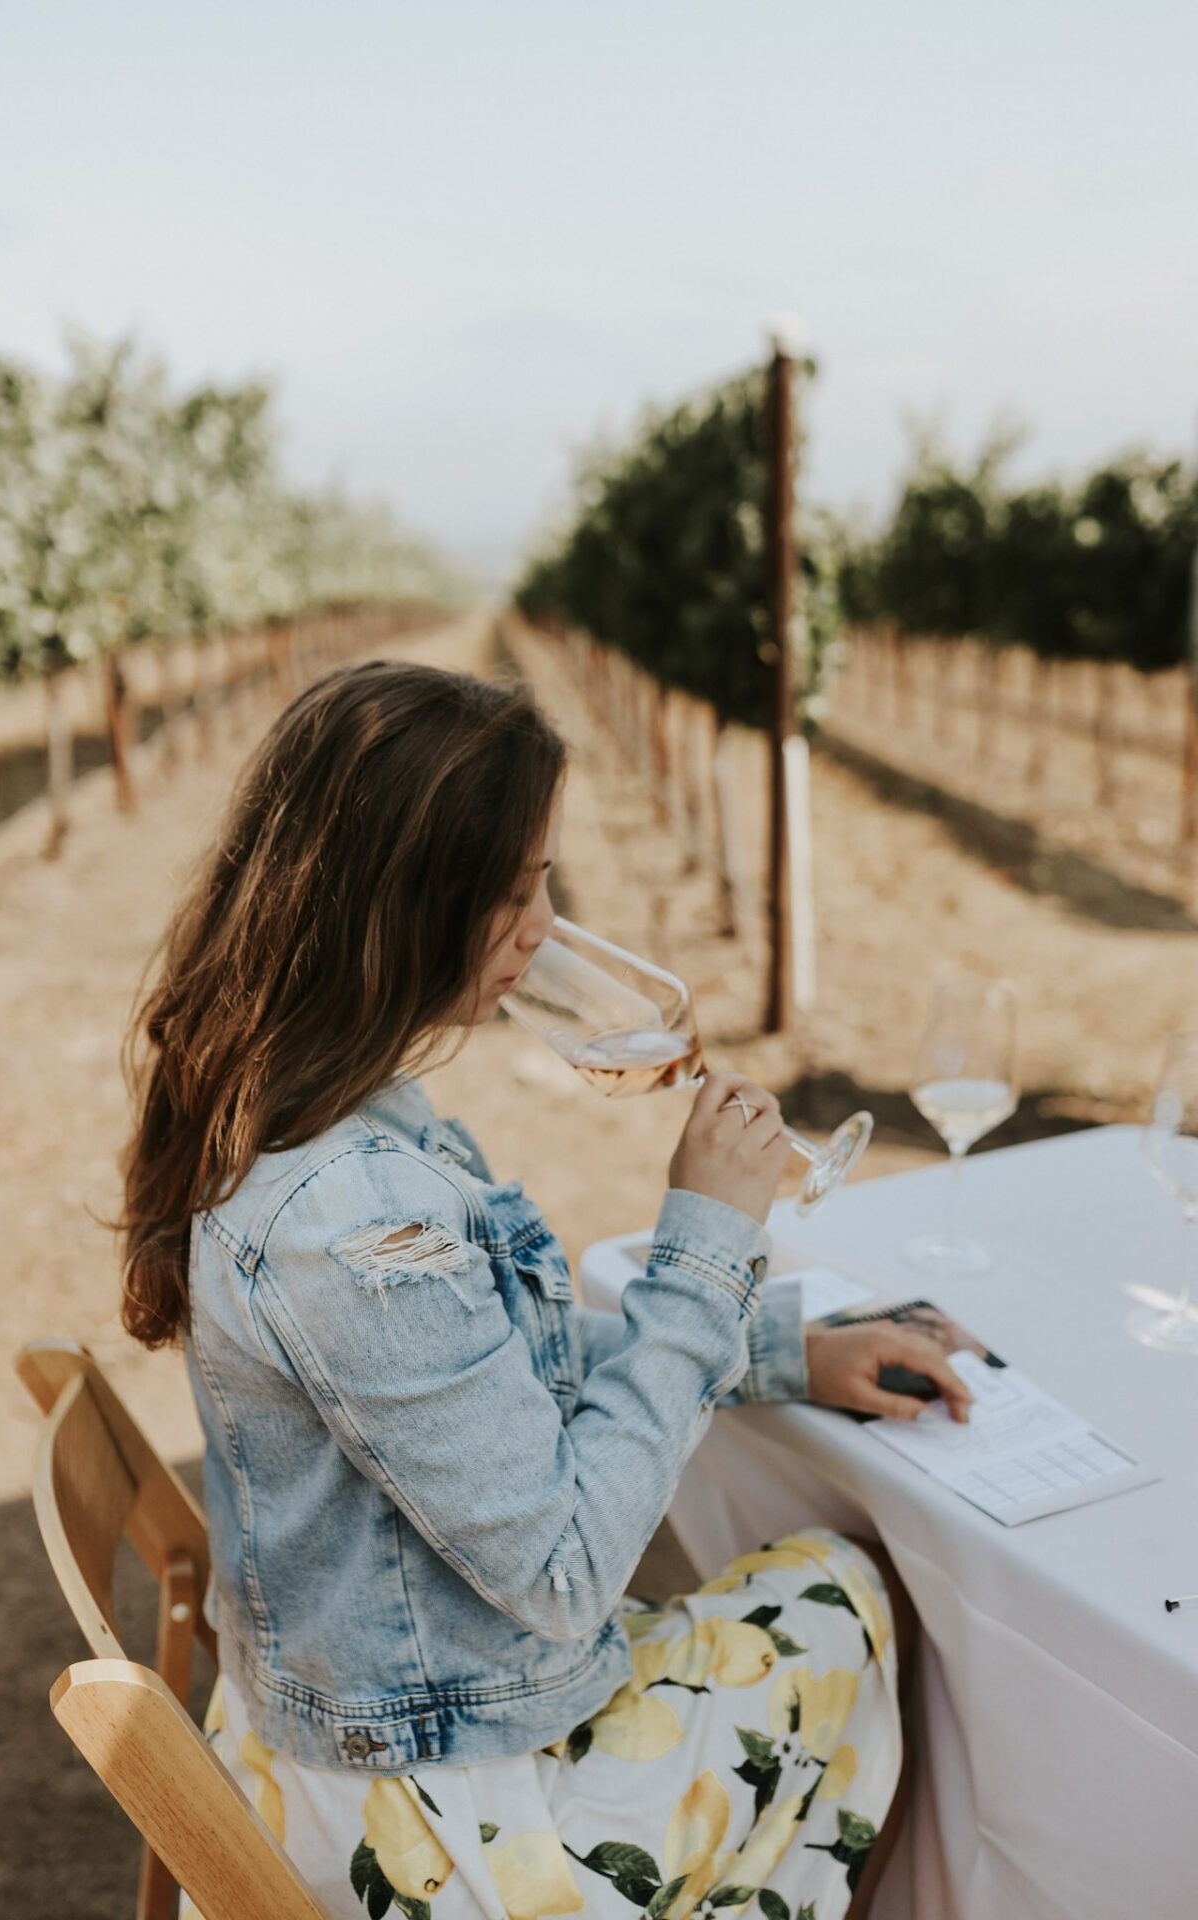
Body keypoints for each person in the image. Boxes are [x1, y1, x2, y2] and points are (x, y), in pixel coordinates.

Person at [120, 660, 972, 1920]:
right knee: (864, 1598)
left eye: (546, 882)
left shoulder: (320, 1113)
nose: (543, 928)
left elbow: (481, 1369)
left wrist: (783, 1347)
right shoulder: (351, 1219)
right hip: (451, 1821)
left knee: (829, 1578)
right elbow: (565, 1569)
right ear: (405, 906)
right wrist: (705, 1246)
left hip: (386, 1732)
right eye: (513, 891)